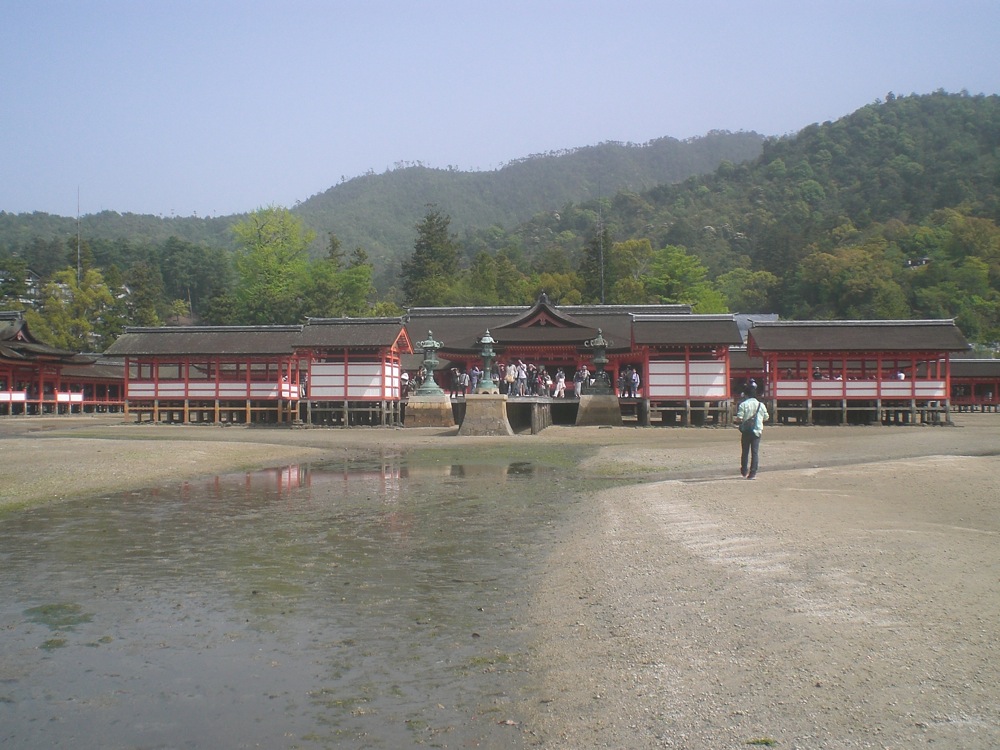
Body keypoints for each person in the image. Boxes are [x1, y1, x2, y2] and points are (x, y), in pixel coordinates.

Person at [734, 384, 770, 480]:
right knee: (755, 452)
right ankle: (753, 473)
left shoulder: (743, 404)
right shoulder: (761, 405)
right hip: (757, 430)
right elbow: (766, 417)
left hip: (746, 431)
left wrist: (738, 421)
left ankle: (744, 471)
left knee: (745, 451)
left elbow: (739, 418)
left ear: (746, 394)